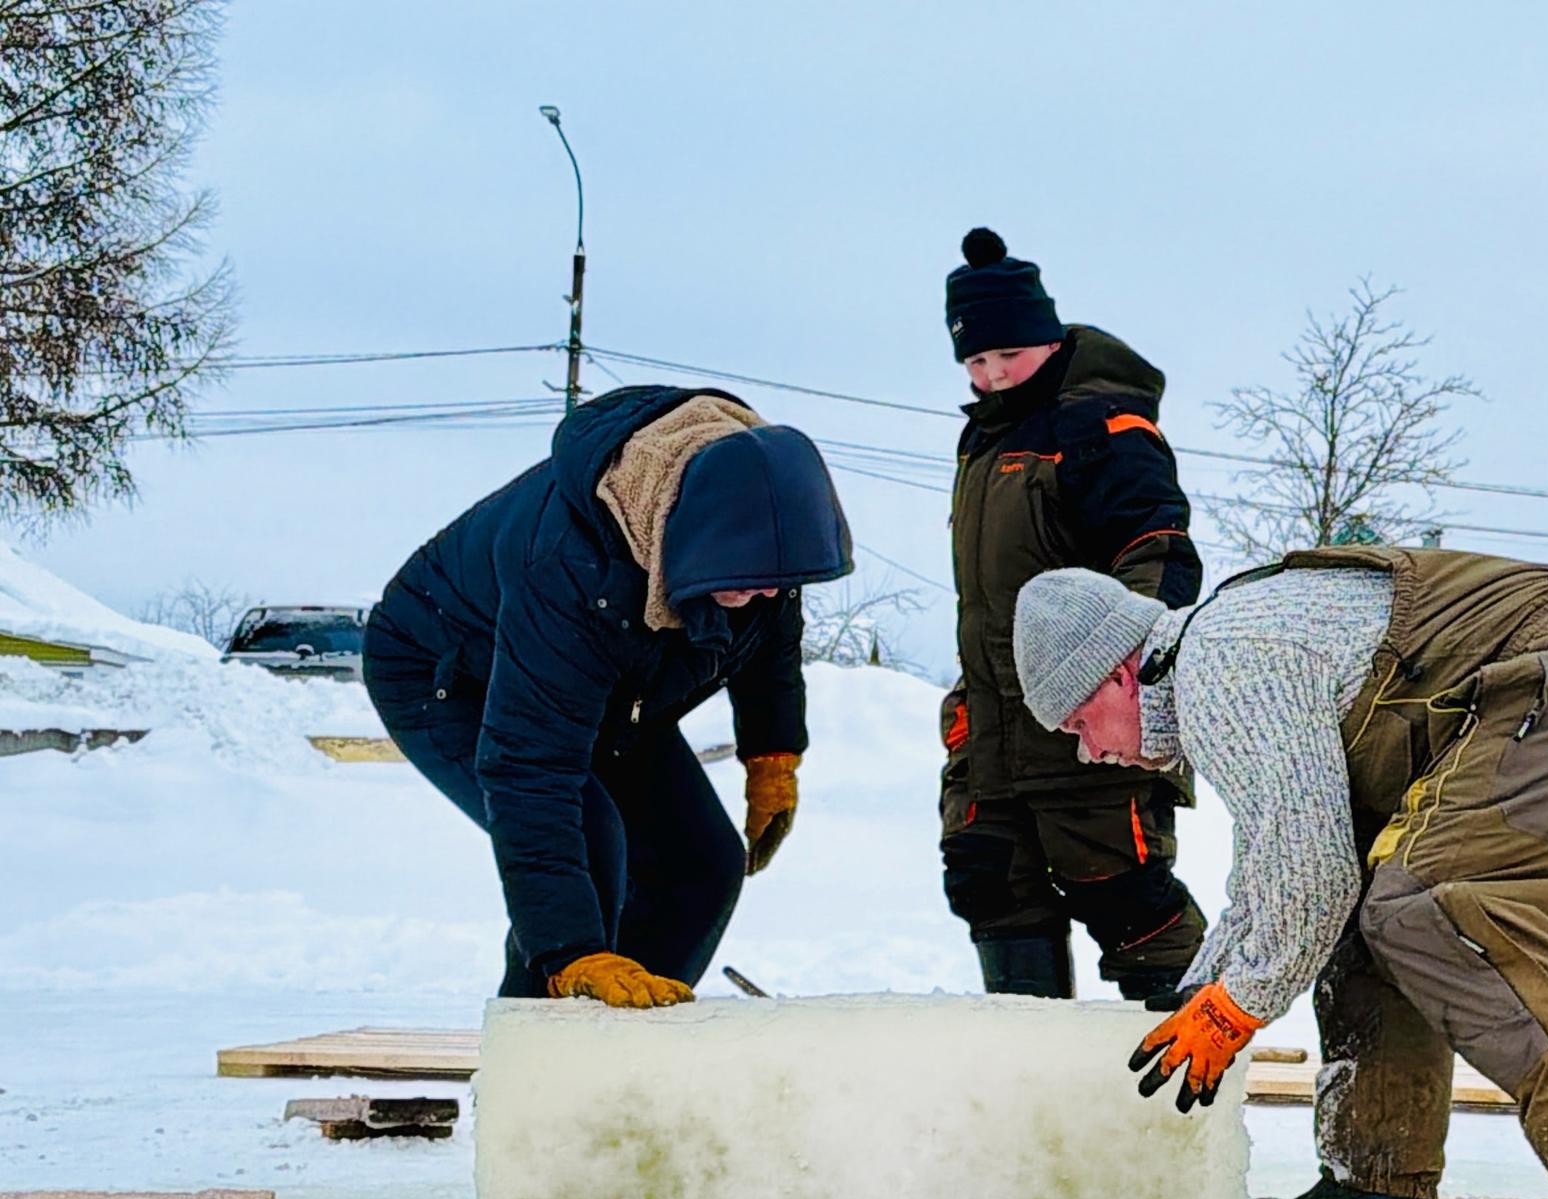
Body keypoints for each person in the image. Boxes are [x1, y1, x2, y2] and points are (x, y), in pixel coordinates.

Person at [1009, 546, 1548, 1199]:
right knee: (1369, 916)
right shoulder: (1219, 664)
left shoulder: (1220, 662)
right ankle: (1376, 1196)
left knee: (1433, 906)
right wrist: (1199, 994)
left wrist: (1237, 1006)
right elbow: (1276, 872)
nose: (1089, 753)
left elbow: (1311, 876)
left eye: (1079, 724)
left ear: (1119, 674)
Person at [364, 385, 853, 1006]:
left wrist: (772, 754)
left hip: (607, 683)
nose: (761, 596)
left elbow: (770, 642)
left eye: (772, 585)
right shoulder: (572, 565)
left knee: (701, 864)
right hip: (451, 671)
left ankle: (634, 1041)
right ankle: (539, 1045)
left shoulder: (760, 534)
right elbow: (530, 767)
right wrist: (572, 952)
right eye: (744, 583)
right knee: (590, 841)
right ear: (687, 536)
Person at [939, 226, 1206, 1001]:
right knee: (989, 880)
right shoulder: (982, 441)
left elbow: (1159, 550)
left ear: (1048, 339)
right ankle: (1034, 1067)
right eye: (975, 361)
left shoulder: (1100, 428)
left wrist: (1129, 669)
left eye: (1008, 355)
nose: (992, 375)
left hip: (1091, 722)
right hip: (992, 726)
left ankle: (1190, 1055)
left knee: (1123, 896)